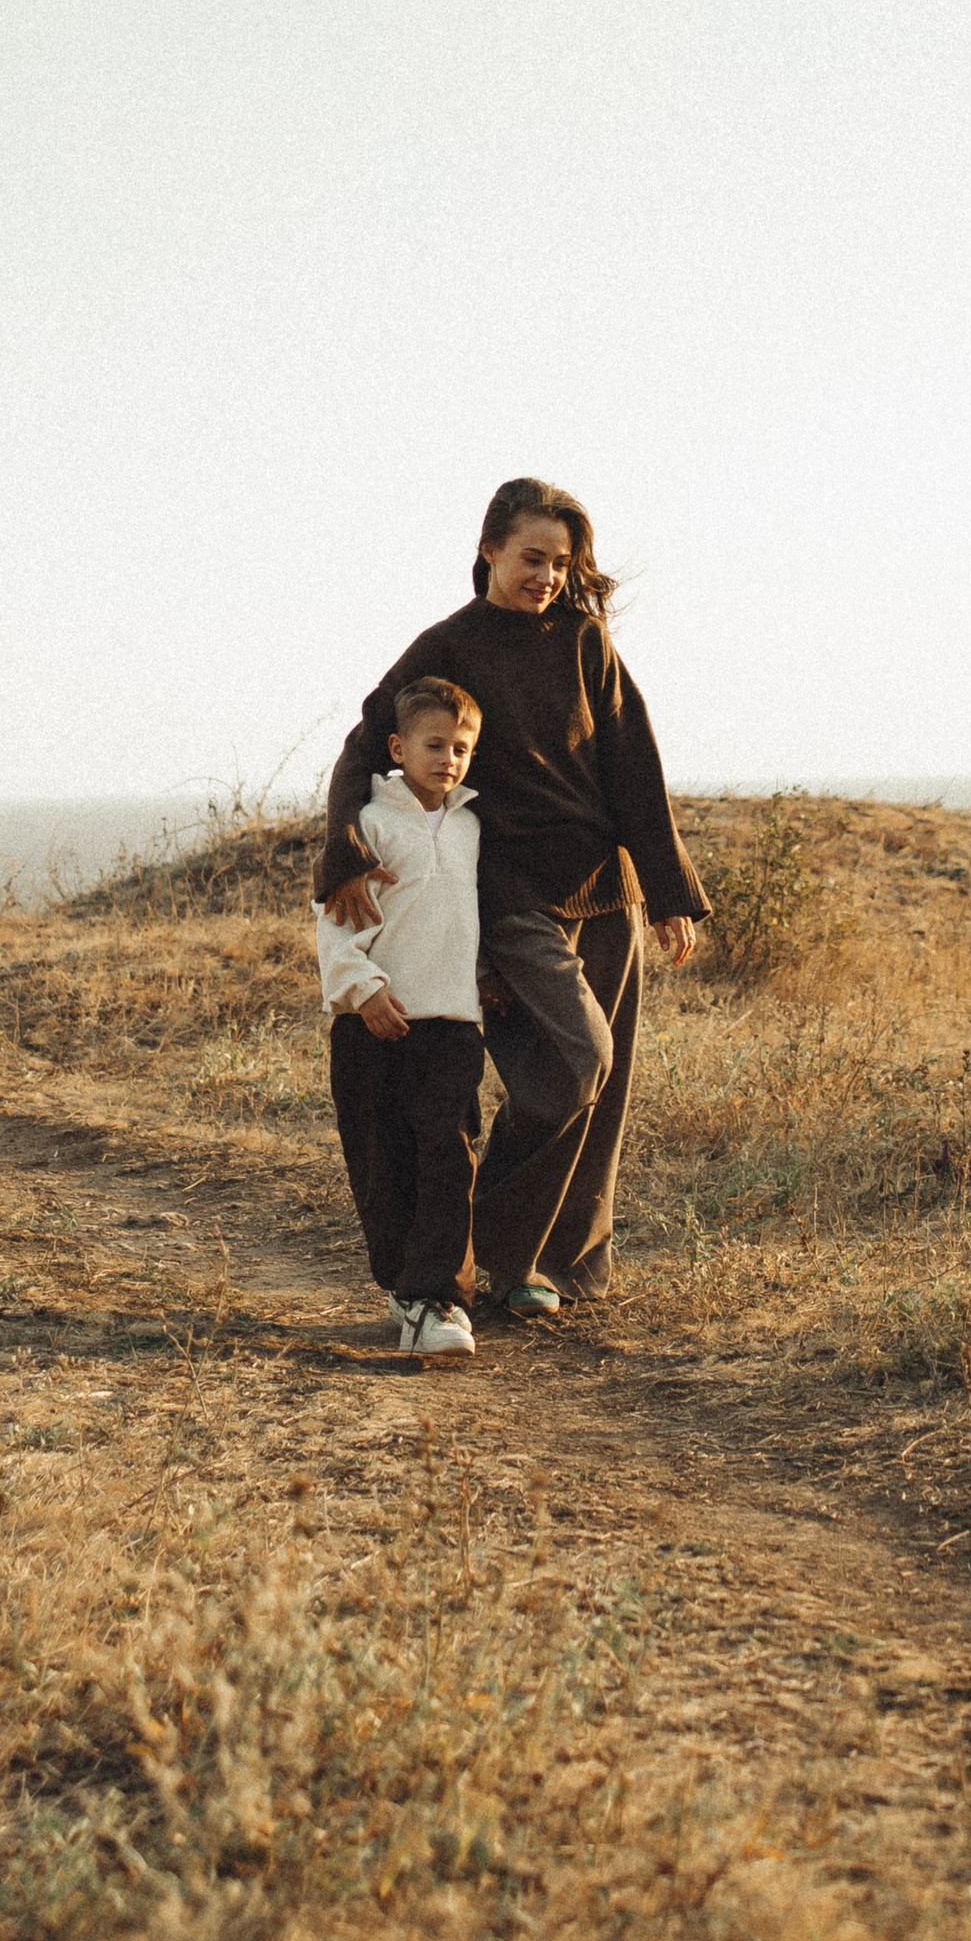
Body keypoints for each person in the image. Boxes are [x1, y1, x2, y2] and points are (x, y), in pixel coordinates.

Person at [317, 476, 709, 1318]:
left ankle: (548, 1268)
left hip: (608, 891)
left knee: (602, 1095)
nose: (547, 577)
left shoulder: (585, 640)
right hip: (514, 889)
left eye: (561, 564)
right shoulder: (446, 645)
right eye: (532, 557)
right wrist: (342, 849)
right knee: (576, 1064)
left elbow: (633, 764)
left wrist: (670, 889)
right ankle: (485, 1229)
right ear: (489, 548)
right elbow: (364, 745)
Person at [315, 675, 488, 1363]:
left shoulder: (473, 827)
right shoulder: (370, 823)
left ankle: (437, 1297)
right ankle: (404, 1286)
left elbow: (466, 919)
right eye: (435, 744)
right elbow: (336, 919)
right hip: (373, 1026)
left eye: (463, 748)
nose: (448, 759)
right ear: (397, 747)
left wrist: (485, 980)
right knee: (384, 1161)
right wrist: (361, 988)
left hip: (450, 1023)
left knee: (450, 1155)